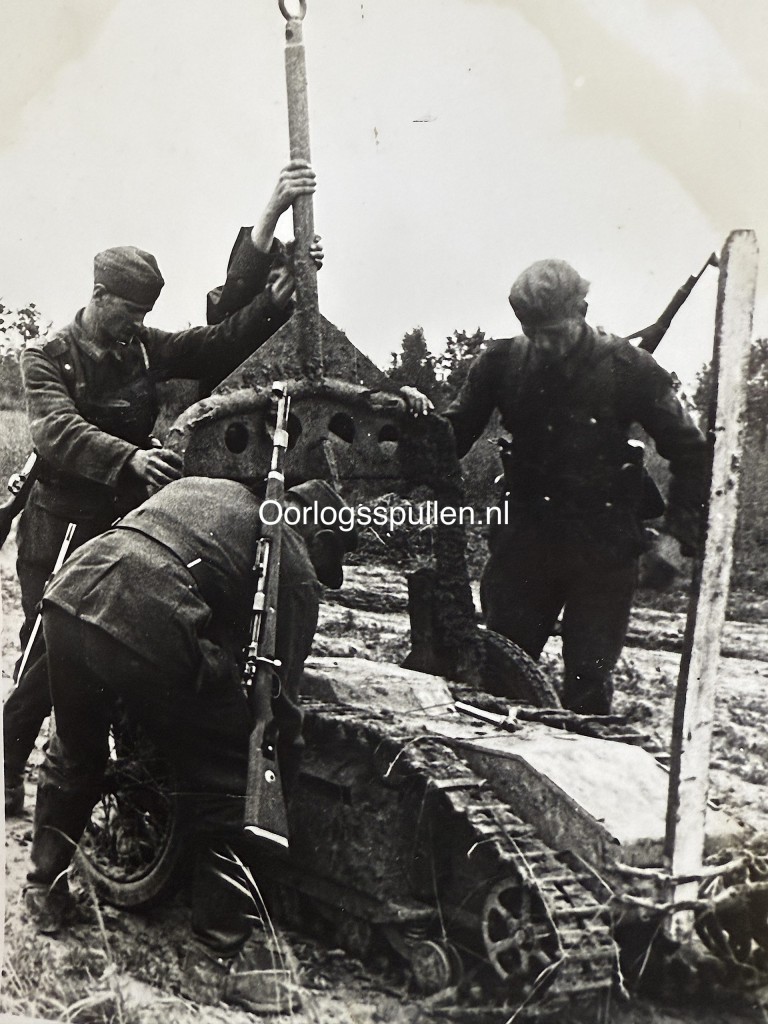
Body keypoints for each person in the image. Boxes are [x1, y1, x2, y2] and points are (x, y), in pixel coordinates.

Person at [3, 163, 321, 815]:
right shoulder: (47, 354)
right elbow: (56, 431)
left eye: (144, 313)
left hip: (119, 525)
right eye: (129, 310)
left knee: (110, 649)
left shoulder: (144, 346)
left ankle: (92, 771)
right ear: (99, 293)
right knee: (49, 652)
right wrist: (131, 461)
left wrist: (273, 303)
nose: (136, 323)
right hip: (59, 521)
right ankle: (9, 768)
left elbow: (212, 345)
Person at [23, 475, 354, 1012]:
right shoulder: (291, 562)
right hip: (147, 615)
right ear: (317, 532)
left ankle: (43, 889)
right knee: (234, 779)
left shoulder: (211, 489)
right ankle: (214, 960)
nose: (317, 571)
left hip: (74, 588)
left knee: (77, 749)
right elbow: (282, 705)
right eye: (325, 558)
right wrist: (277, 761)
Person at [444, 259, 709, 715]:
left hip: (603, 552)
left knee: (588, 691)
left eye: (555, 331)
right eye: (533, 331)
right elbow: (452, 435)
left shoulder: (631, 368)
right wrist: (404, 423)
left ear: (582, 309)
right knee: (499, 680)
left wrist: (675, 537)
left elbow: (693, 452)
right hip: (524, 545)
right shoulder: (500, 363)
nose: (544, 343)